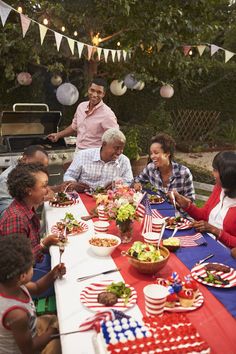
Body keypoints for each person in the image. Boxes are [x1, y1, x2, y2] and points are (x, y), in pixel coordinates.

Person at [0, 235, 65, 354]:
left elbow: (37, 288)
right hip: (27, 347)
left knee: (57, 319)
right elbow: (29, 349)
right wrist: (52, 332)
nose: (33, 266)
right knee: (63, 344)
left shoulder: (11, 284)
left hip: (28, 330)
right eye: (32, 265)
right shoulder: (17, 314)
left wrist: (53, 273)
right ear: (22, 276)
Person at [173, 151, 236, 248]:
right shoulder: (219, 188)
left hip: (226, 255)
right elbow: (204, 215)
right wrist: (186, 205)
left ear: (227, 175)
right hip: (206, 243)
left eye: (215, 170)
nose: (212, 174)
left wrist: (215, 231)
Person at [0, 163, 59, 263]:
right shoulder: (16, 219)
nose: (48, 190)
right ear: (28, 191)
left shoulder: (27, 208)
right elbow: (18, 262)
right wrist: (44, 244)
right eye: (44, 186)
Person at [47, 78, 119, 151]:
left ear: (103, 94)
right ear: (88, 89)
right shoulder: (81, 106)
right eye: (92, 90)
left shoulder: (107, 114)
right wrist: (58, 135)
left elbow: (115, 137)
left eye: (99, 92)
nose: (94, 95)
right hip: (78, 151)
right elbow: (74, 126)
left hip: (95, 154)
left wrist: (104, 155)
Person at [64, 128, 133, 192]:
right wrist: (73, 184)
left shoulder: (124, 160)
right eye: (116, 148)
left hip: (111, 200)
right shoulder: (83, 155)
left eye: (122, 148)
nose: (119, 152)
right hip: (83, 197)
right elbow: (69, 175)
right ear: (104, 144)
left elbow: (129, 181)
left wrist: (119, 185)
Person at [134, 133, 195, 200]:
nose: (152, 156)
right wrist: (137, 184)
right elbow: (137, 181)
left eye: (156, 153)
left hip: (177, 210)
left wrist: (177, 198)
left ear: (167, 154)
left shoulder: (183, 172)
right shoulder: (151, 168)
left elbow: (190, 201)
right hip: (156, 209)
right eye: (151, 153)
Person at [0, 145, 49, 218]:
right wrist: (39, 199)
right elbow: (5, 216)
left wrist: (57, 188)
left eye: (43, 168)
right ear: (24, 159)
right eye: (37, 166)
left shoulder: (27, 174)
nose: (40, 170)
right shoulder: (5, 179)